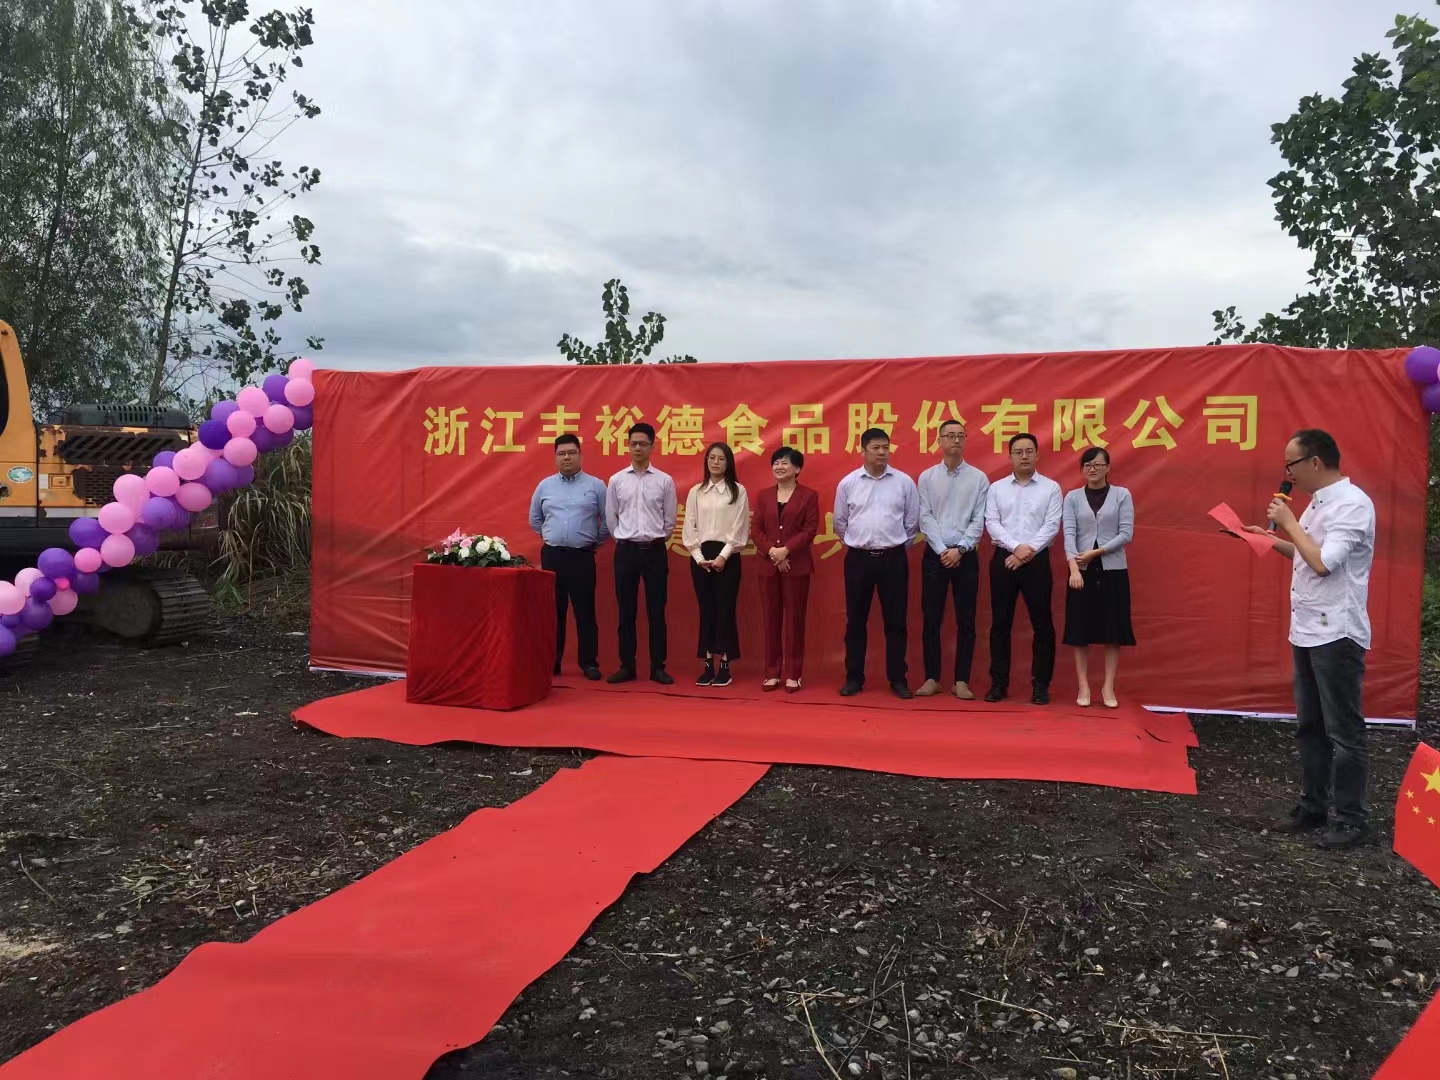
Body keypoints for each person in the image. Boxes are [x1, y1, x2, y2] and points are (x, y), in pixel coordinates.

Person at [1243, 428, 1376, 850]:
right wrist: (1269, 539)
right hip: (1305, 628)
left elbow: (1323, 564)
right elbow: (1304, 553)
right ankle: (1313, 805)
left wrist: (1286, 522)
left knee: (1344, 731)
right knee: (1310, 726)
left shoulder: (1353, 505)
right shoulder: (1316, 503)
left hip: (1337, 631)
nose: (1288, 474)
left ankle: (1352, 819)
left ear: (1314, 462)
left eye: (1292, 464)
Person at [834, 427, 920, 699]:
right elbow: (840, 522)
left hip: (893, 558)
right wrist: (857, 542)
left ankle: (898, 678)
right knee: (855, 622)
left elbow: (912, 522)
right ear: (863, 450)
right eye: (875, 448)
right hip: (858, 559)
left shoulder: (904, 482)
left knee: (896, 622)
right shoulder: (848, 483)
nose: (882, 452)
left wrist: (896, 544)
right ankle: (853, 678)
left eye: (885, 447)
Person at [984, 432, 1062, 704]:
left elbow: (1051, 525)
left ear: (1037, 455)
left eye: (1029, 451)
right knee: (1000, 624)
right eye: (1018, 452)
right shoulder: (996, 488)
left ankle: (1040, 685)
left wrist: (1026, 552)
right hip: (1004, 558)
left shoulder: (1051, 488)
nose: (1024, 456)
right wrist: (1016, 547)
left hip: (1037, 560)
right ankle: (998, 684)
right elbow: (992, 522)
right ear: (1010, 457)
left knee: (1042, 624)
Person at [915, 419, 990, 700]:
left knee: (966, 620)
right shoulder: (927, 477)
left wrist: (960, 549)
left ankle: (961, 680)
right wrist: (941, 550)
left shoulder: (979, 478)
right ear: (939, 441)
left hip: (965, 556)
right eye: (950, 435)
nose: (956, 440)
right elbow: (925, 516)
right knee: (931, 618)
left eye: (960, 435)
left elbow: (979, 519)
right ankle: (932, 677)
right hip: (935, 555)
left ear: (966, 440)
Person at [528, 434, 609, 680]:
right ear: (555, 458)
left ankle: (589, 662)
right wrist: (552, 536)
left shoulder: (596, 486)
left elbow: (607, 521)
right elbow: (535, 519)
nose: (567, 457)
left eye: (572, 453)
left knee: (585, 611)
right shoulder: (545, 486)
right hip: (553, 555)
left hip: (582, 556)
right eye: (561, 453)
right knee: (554, 611)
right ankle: (552, 661)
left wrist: (592, 542)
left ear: (580, 455)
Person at [605, 423, 678, 685]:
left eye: (643, 444)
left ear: (652, 446)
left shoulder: (664, 481)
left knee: (656, 611)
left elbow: (669, 520)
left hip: (655, 550)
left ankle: (658, 667)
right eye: (633, 443)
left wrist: (656, 538)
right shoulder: (616, 480)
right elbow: (611, 517)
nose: (638, 448)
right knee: (626, 611)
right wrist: (624, 539)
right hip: (626, 551)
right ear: (628, 445)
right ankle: (627, 665)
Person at [1062, 447, 1135, 708]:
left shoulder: (1122, 495)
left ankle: (1108, 686)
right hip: (1080, 570)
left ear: (1108, 468)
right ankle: (1083, 685)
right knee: (1079, 629)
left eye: (1098, 464)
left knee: (1112, 630)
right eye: (1088, 465)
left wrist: (1096, 552)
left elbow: (1126, 534)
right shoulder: (1072, 497)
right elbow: (1069, 534)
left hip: (1113, 570)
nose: (1093, 469)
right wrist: (1073, 569)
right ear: (1082, 469)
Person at [753, 445, 820, 692]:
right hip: (768, 565)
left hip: (796, 566)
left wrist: (786, 550)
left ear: (797, 468)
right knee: (770, 620)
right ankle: (772, 672)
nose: (779, 467)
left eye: (785, 463)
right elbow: (756, 529)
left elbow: (810, 529)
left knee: (794, 620)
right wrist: (773, 551)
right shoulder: (764, 496)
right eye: (776, 463)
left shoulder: (809, 496)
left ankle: (793, 673)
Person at [682, 443, 750, 687]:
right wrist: (699, 558)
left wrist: (723, 556)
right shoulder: (696, 491)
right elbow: (689, 526)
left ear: (728, 463)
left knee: (725, 610)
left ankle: (725, 664)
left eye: (721, 458)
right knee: (707, 610)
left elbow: (740, 527)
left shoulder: (738, 491)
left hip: (727, 557)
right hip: (701, 558)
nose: (715, 462)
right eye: (711, 458)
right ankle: (708, 662)